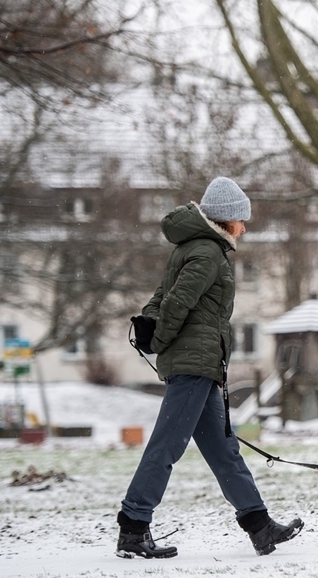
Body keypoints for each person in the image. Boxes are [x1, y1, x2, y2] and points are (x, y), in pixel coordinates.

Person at [117, 177, 303, 558]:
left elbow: (159, 298)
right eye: (242, 220)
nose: (245, 228)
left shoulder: (195, 249)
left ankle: (259, 526)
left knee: (223, 451)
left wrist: (154, 327)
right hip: (193, 363)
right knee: (166, 447)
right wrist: (162, 338)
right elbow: (176, 303)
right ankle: (133, 529)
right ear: (226, 219)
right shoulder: (207, 253)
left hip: (200, 363)